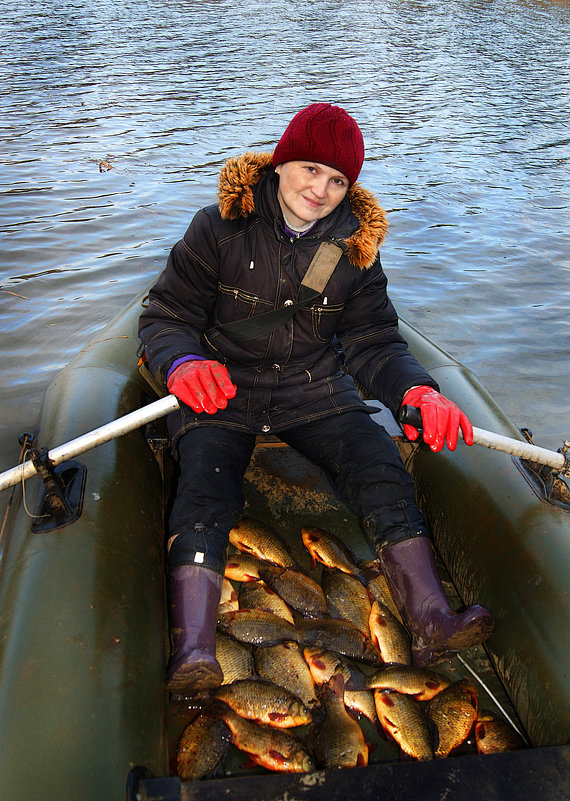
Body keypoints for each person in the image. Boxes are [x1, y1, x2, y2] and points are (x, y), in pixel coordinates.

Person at [139, 103, 494, 698]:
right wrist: (183, 362)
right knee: (205, 482)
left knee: (379, 466)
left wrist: (416, 391)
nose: (320, 189)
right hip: (223, 386)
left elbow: (374, 339)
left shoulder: (354, 249)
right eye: (309, 169)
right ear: (279, 166)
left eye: (337, 181)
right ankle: (196, 648)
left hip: (315, 389)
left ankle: (431, 620)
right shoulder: (217, 228)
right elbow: (166, 315)